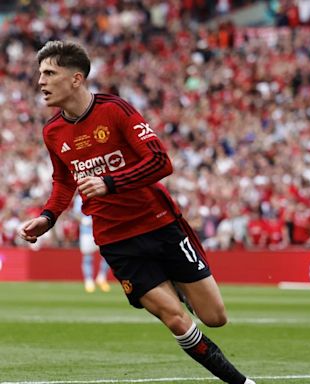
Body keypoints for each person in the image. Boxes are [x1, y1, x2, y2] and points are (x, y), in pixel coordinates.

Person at [17, 40, 255, 384]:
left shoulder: (115, 111)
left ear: (76, 79)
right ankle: (241, 382)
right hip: (117, 240)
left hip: (160, 225)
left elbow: (161, 161)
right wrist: (48, 217)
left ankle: (178, 288)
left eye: (49, 73)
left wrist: (109, 183)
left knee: (215, 317)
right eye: (40, 73)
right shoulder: (52, 132)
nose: (40, 81)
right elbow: (63, 180)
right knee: (175, 319)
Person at [73, 194, 110, 293]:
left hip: (101, 230)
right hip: (87, 232)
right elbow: (76, 214)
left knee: (107, 255)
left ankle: (102, 277)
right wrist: (83, 220)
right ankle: (88, 281)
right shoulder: (79, 198)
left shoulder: (101, 193)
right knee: (88, 256)